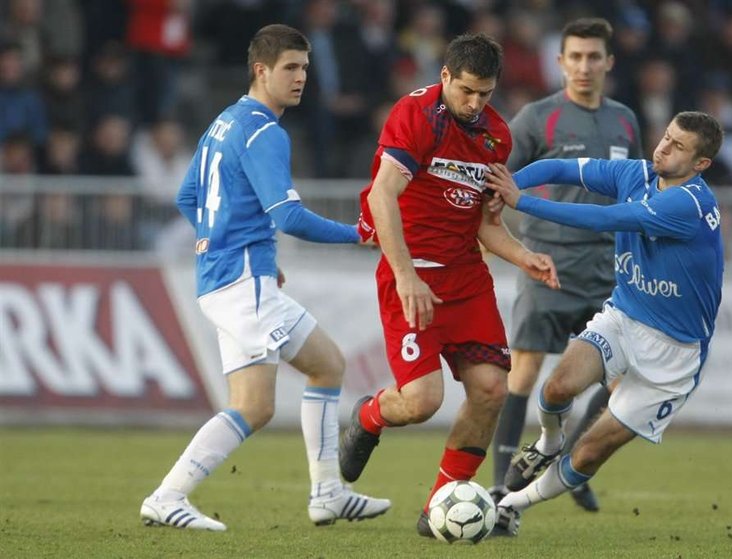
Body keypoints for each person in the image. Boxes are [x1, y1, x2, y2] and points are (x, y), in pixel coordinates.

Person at [140, 24, 391, 532]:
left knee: (327, 365)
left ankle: (327, 492)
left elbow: (188, 198)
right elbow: (290, 217)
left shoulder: (223, 124)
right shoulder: (263, 130)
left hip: (229, 279)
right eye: (290, 68)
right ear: (261, 70)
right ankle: (167, 496)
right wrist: (361, 234)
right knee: (254, 406)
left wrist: (230, 242)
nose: (301, 78)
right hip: (243, 285)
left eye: (304, 67)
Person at [338, 33, 559, 538]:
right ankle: (370, 415)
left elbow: (485, 224)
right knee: (420, 402)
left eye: (484, 93)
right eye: (465, 90)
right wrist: (406, 274)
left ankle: (441, 503)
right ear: (444, 78)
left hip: (465, 278)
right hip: (409, 274)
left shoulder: (496, 137)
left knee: (491, 389)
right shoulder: (415, 116)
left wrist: (526, 258)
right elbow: (382, 198)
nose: (474, 103)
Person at [484, 111, 725, 535]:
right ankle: (547, 441)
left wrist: (520, 201)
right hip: (624, 316)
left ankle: (512, 503)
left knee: (591, 452)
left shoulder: (688, 204)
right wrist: (511, 183)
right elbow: (560, 167)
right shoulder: (635, 173)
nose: (663, 148)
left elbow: (605, 219)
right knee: (556, 387)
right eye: (665, 136)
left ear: (701, 164)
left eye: (678, 146)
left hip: (674, 355)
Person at [490, 17, 642, 512]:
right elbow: (497, 175)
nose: (584, 66)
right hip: (549, 263)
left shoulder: (625, 120)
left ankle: (571, 464)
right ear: (559, 62)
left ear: (608, 62)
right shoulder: (538, 117)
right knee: (525, 370)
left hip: (607, 267)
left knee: (620, 381)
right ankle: (501, 484)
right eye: (574, 57)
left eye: (593, 57)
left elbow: (634, 192)